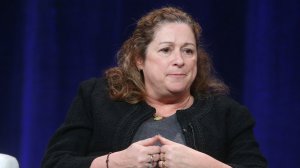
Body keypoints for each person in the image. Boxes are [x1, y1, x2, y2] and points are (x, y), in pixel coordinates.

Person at [42, 6, 267, 168]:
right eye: (166, 50)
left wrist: (206, 166)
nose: (180, 60)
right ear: (140, 59)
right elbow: (55, 162)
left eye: (188, 50)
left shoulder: (228, 114)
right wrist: (113, 163)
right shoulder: (96, 98)